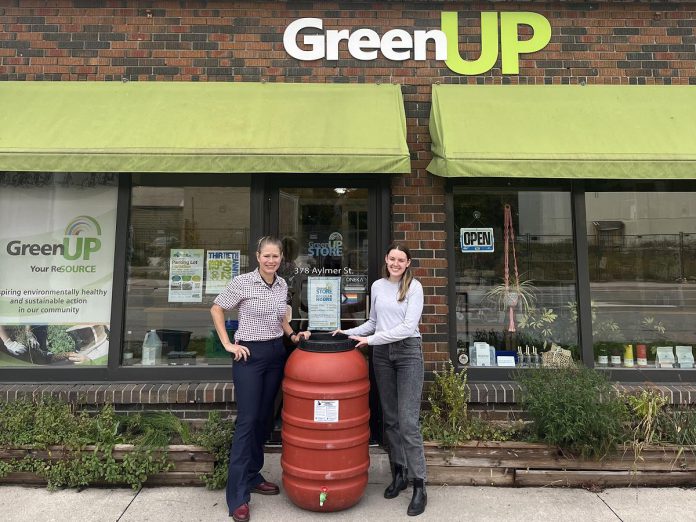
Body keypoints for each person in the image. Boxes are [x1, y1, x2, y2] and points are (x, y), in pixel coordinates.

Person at [210, 236, 310, 522]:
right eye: (266, 256)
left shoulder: (282, 285)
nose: (270, 261)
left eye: (275, 256)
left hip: (275, 353)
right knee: (247, 421)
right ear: (257, 256)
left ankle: (253, 475)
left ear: (281, 258)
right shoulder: (243, 282)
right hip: (249, 356)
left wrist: (293, 335)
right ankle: (238, 497)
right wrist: (228, 344)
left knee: (265, 419)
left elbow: (281, 318)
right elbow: (217, 308)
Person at [333, 242, 427, 516]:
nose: (396, 263)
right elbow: (374, 322)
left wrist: (370, 340)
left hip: (408, 352)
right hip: (382, 354)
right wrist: (348, 332)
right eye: (392, 259)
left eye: (401, 260)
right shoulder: (377, 286)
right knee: (391, 419)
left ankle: (420, 484)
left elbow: (408, 327)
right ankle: (399, 473)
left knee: (408, 421)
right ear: (386, 259)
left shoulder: (415, 287)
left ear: (408, 263)